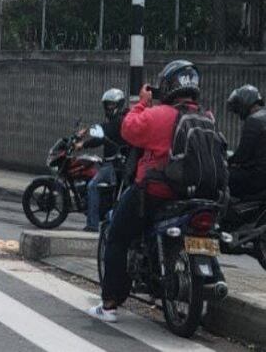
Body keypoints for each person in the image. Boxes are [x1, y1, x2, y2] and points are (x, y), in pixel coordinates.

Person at [88, 60, 200, 323]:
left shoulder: (160, 114)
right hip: (192, 195)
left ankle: (110, 304)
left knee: (117, 235)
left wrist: (141, 101)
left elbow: (129, 130)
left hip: (154, 191)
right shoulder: (205, 117)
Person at [75, 88, 129, 232]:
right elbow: (101, 129)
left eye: (111, 105)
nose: (109, 108)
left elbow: (100, 136)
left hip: (114, 164)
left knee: (92, 186)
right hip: (112, 163)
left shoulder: (119, 122)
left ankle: (92, 224)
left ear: (119, 104)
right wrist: (86, 131)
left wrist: (83, 144)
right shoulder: (117, 121)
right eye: (107, 105)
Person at [226, 84, 266, 198]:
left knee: (223, 176)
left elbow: (242, 156)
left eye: (238, 106)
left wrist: (226, 162)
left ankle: (225, 213)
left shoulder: (254, 120)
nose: (238, 111)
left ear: (246, 101)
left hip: (258, 177)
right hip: (262, 173)